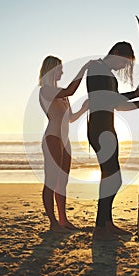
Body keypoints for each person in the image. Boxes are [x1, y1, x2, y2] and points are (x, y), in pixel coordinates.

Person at [86, 42, 139, 240]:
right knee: (112, 178)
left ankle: (106, 223)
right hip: (100, 130)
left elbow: (118, 105)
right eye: (124, 62)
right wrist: (136, 93)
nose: (124, 67)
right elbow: (110, 99)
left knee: (113, 179)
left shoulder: (107, 73)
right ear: (116, 53)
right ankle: (100, 227)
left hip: (107, 128)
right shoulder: (96, 68)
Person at [39, 55, 89, 233]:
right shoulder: (45, 90)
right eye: (59, 68)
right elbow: (70, 90)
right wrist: (83, 70)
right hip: (53, 137)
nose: (62, 71)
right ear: (51, 69)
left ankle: (63, 220)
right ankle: (53, 223)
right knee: (51, 181)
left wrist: (84, 108)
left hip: (65, 140)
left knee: (63, 181)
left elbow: (71, 118)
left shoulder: (62, 93)